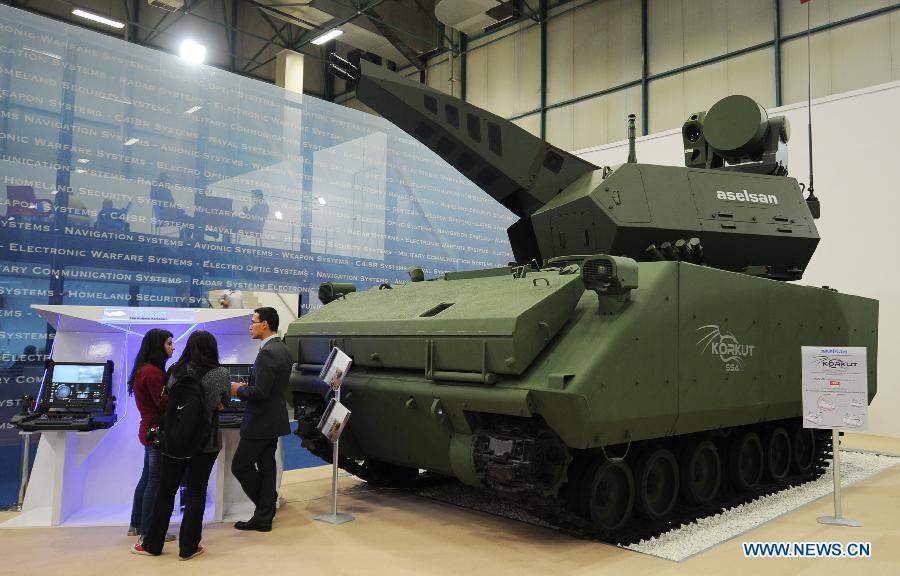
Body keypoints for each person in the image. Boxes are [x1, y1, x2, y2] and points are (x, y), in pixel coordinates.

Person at [133, 330, 229, 560]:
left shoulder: (175, 369)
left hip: (174, 440)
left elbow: (168, 403)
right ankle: (188, 548)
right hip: (206, 442)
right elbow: (220, 403)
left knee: (165, 491)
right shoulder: (220, 373)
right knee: (196, 492)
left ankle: (152, 544)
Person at [229, 307, 292, 532]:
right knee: (267, 467)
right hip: (273, 421)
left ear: (264, 324)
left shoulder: (268, 352)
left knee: (240, 466)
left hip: (260, 422)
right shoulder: (282, 348)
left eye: (253, 321)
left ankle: (265, 509)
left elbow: (261, 392)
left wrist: (238, 390)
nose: (250, 326)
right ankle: (264, 516)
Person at [128, 329, 175, 542]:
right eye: (168, 343)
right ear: (158, 346)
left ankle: (136, 524)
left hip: (148, 430)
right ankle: (149, 531)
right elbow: (162, 402)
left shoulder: (143, 370)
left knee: (148, 478)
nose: (172, 347)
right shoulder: (154, 373)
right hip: (156, 431)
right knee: (155, 481)